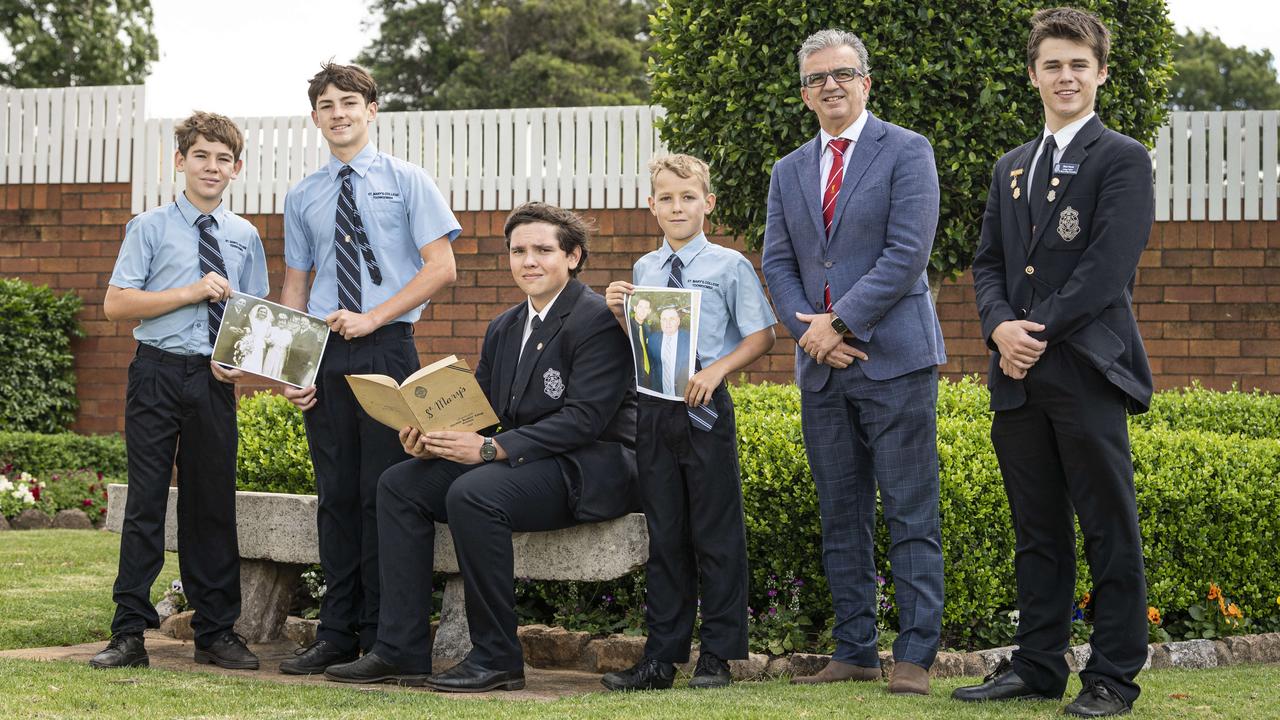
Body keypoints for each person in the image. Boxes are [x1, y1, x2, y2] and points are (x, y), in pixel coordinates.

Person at [323, 202, 638, 692]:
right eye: (518, 251)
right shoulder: (504, 326)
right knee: (399, 484)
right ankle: (400, 649)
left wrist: (489, 451)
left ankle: (497, 658)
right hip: (522, 462)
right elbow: (483, 415)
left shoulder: (596, 320)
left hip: (586, 467)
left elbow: (584, 420)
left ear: (573, 257)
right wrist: (434, 438)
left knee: (474, 494)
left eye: (542, 250)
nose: (528, 261)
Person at [954, 9, 1153, 717]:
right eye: (1051, 65)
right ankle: (1038, 666)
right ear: (1033, 74)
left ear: (1100, 72)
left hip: (1085, 369)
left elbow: (1106, 271)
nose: (1064, 76)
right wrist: (999, 329)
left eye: (1078, 64)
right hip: (1016, 373)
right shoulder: (1010, 166)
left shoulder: (1122, 158)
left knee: (1108, 527)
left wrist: (1031, 329)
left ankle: (1113, 677)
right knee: (1036, 531)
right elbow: (986, 264)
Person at [760, 29, 947, 695]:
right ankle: (855, 649)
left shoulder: (907, 151)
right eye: (817, 78)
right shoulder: (788, 171)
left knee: (909, 511)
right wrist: (811, 334)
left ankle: (915, 657)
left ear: (866, 83)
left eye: (843, 74)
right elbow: (777, 263)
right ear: (804, 93)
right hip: (822, 369)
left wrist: (838, 322)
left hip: (895, 361)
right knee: (841, 514)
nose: (830, 85)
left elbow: (907, 254)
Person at [278, 63, 460, 675]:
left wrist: (374, 317)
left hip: (387, 349)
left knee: (382, 493)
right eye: (325, 104)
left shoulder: (408, 180)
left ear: (373, 109)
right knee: (335, 496)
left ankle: (387, 639)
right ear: (315, 118)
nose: (338, 113)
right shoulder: (302, 194)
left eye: (349, 101)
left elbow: (441, 269)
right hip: (326, 352)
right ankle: (336, 634)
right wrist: (293, 366)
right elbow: (296, 287)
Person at [92, 111, 268, 671]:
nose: (211, 168)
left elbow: (252, 316)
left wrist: (240, 365)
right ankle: (128, 633)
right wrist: (191, 292)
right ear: (180, 161)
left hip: (213, 382)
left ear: (236, 169)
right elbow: (117, 305)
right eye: (201, 156)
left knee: (212, 504)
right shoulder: (148, 227)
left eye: (223, 159)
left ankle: (216, 632)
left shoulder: (244, 236)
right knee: (145, 501)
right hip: (157, 373)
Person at [602, 154, 775, 691]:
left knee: (715, 532)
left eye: (688, 197)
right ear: (651, 206)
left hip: (703, 408)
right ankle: (660, 658)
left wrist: (718, 371)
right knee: (666, 535)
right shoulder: (644, 272)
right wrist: (620, 312)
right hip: (654, 410)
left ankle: (718, 656)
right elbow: (648, 344)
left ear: (708, 204)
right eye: (667, 198)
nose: (678, 207)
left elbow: (762, 335)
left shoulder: (730, 266)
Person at [647, 305, 693, 397]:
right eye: (664, 319)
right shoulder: (652, 339)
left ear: (678, 321)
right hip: (659, 395)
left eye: (671, 319)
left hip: (684, 396)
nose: (667, 323)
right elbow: (652, 367)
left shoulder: (690, 339)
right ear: (660, 322)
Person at [628, 296, 655, 388]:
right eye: (640, 307)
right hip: (632, 376)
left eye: (646, 308)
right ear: (635, 308)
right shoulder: (627, 326)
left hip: (648, 374)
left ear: (649, 311)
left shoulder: (649, 329)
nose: (643, 311)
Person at [261, 312, 293, 379]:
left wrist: (279, 344)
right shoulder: (272, 329)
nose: (282, 322)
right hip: (271, 351)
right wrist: (269, 341)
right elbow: (265, 337)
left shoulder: (288, 333)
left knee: (277, 367)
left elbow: (288, 342)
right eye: (280, 320)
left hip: (281, 352)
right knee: (268, 366)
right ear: (278, 321)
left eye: (284, 321)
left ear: (286, 323)